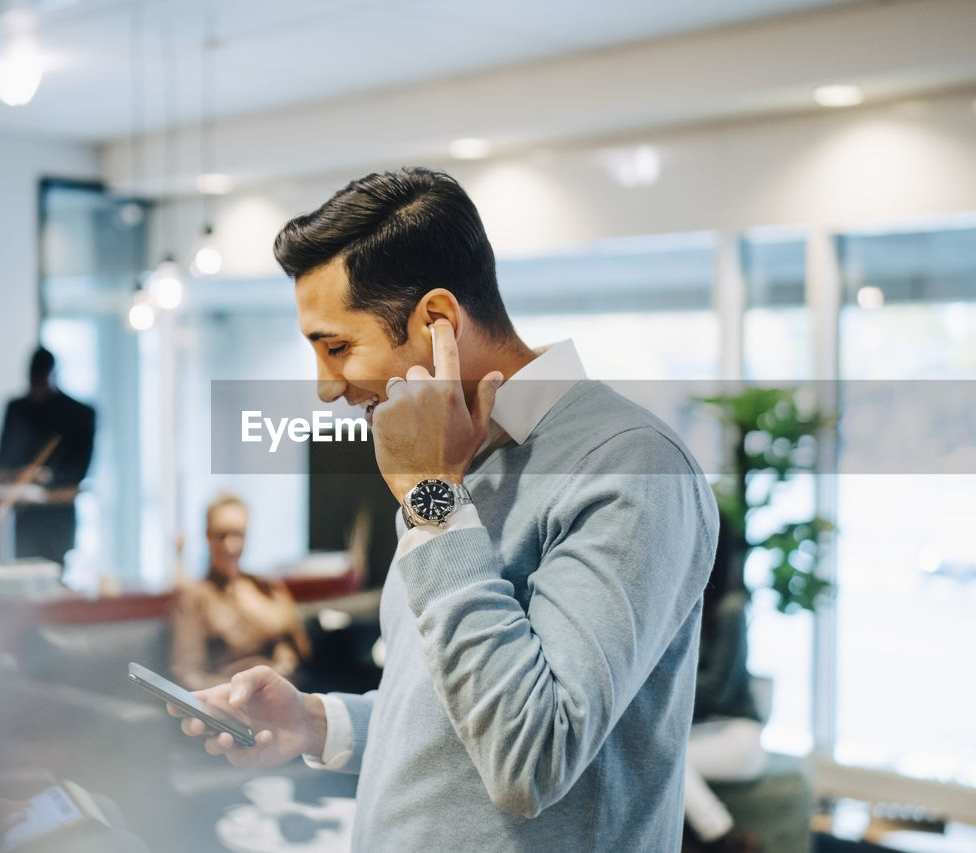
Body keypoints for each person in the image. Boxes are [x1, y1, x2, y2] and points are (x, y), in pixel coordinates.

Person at [170, 168, 719, 851]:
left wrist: (433, 500)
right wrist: (314, 721)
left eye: (338, 347)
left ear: (436, 323)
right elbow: (455, 718)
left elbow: (530, 757)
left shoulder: (631, 465)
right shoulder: (447, 471)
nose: (325, 388)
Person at [682, 513, 767, 853]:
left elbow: (718, 690)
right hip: (703, 731)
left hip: (737, 734)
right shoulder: (689, 602)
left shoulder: (731, 608)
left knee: (664, 758)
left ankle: (724, 838)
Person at [169, 492, 311, 691]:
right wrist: (242, 692)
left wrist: (283, 668)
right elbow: (187, 674)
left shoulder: (266, 588)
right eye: (221, 535)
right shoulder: (195, 598)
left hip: (284, 692)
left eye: (238, 534)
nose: (230, 546)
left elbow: (295, 646)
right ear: (208, 535)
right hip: (231, 702)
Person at [0, 347, 96, 567]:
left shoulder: (79, 414)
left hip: (57, 516)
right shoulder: (17, 409)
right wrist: (15, 475)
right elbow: (0, 463)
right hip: (23, 516)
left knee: (53, 579)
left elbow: (79, 471)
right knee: (22, 581)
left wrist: (45, 476)